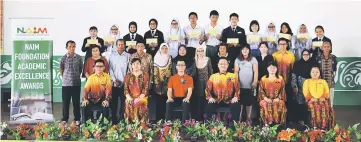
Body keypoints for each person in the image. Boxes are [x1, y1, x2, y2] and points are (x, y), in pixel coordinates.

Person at [204, 57, 241, 122]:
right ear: (218, 65)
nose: (223, 65)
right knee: (208, 106)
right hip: (216, 99)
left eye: (225, 64)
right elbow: (207, 89)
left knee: (236, 106)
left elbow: (237, 88)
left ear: (227, 65)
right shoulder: (213, 76)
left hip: (229, 100)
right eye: (221, 64)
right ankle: (208, 127)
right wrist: (210, 97)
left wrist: (235, 97)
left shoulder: (232, 76)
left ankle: (233, 128)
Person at [272, 37, 296, 124]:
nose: (282, 46)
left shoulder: (291, 55)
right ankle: (276, 119)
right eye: (280, 44)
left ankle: (288, 120)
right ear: (278, 45)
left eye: (284, 44)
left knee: (288, 101)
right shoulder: (274, 55)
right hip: (277, 83)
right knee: (277, 100)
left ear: (287, 45)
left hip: (288, 82)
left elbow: (293, 69)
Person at [60, 40, 83, 125]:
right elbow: (61, 69)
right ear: (66, 48)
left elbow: (81, 69)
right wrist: (66, 78)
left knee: (76, 102)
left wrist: (76, 76)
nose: (72, 48)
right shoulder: (63, 58)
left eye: (73, 46)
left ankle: (77, 119)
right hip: (66, 84)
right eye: (70, 47)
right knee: (65, 102)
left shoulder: (79, 58)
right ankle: (65, 119)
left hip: (76, 83)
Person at [234, 44, 258, 123]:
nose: (245, 51)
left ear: (249, 50)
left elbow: (256, 71)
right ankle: (239, 119)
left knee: (249, 102)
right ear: (241, 50)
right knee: (240, 103)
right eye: (243, 49)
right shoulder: (237, 59)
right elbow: (236, 72)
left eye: (246, 49)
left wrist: (255, 81)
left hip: (250, 85)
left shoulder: (253, 59)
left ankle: (248, 118)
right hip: (240, 85)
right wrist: (236, 83)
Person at [258, 61, 287, 126]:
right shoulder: (263, 79)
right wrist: (265, 98)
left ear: (277, 69)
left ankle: (277, 123)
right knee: (264, 103)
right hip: (265, 99)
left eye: (274, 68)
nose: (272, 69)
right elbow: (261, 91)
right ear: (267, 69)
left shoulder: (280, 79)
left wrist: (278, 98)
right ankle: (266, 124)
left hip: (277, 99)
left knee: (280, 103)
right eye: (270, 68)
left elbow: (283, 90)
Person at [109, 39, 130, 124]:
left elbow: (129, 69)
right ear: (116, 46)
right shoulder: (112, 56)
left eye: (122, 44)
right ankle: (114, 121)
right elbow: (110, 69)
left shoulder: (128, 56)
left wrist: (125, 81)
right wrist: (114, 80)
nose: (121, 46)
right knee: (114, 104)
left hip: (124, 84)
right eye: (119, 45)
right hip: (114, 84)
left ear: (124, 45)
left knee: (123, 104)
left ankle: (121, 120)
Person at [291, 49, 314, 125]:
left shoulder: (313, 63)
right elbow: (294, 75)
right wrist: (294, 86)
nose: (306, 56)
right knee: (300, 104)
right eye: (304, 54)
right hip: (300, 88)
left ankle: (310, 120)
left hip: (310, 88)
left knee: (309, 104)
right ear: (301, 55)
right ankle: (301, 120)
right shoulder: (297, 63)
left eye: (307, 54)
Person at [150, 43, 173, 121]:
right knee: (158, 103)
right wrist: (157, 84)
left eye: (166, 48)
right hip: (158, 85)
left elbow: (171, 71)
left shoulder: (170, 58)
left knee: (167, 103)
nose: (164, 50)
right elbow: (154, 72)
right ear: (160, 49)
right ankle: (158, 120)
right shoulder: (156, 58)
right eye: (162, 48)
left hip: (168, 85)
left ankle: (166, 120)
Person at [124, 58, 150, 123]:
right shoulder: (128, 76)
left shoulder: (145, 75)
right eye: (134, 64)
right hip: (131, 96)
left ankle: (141, 123)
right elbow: (125, 88)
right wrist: (129, 97)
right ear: (131, 66)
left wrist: (140, 97)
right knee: (128, 102)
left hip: (142, 96)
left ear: (140, 65)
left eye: (138, 63)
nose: (136, 65)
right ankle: (130, 124)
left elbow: (146, 88)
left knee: (137, 102)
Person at [193, 45, 213, 121]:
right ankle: (198, 120)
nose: (200, 52)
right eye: (199, 51)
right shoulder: (194, 60)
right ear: (196, 52)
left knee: (205, 101)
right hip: (196, 84)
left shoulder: (208, 59)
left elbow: (210, 72)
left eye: (202, 50)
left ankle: (206, 120)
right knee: (198, 102)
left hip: (206, 83)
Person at [315, 41, 337, 108]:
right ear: (322, 48)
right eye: (325, 47)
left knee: (331, 101)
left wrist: (335, 80)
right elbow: (316, 71)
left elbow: (336, 70)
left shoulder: (334, 57)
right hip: (321, 83)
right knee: (321, 101)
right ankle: (322, 117)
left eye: (328, 47)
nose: (326, 48)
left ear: (330, 48)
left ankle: (330, 116)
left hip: (331, 82)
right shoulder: (318, 58)